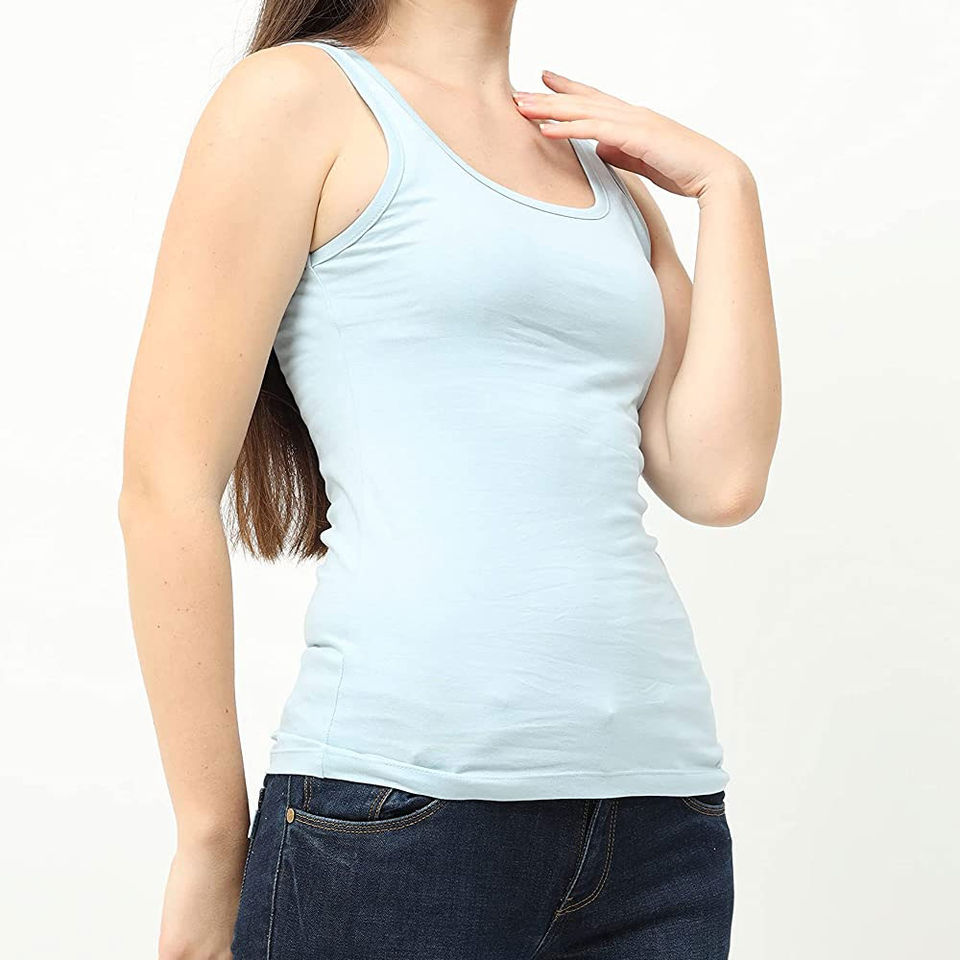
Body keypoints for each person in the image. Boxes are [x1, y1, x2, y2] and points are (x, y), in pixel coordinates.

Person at [118, 0, 780, 957]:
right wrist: (210, 839)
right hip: (399, 806)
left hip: (658, 810)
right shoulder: (299, 98)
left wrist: (728, 190)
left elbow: (720, 478)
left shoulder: (598, 162)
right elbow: (165, 487)